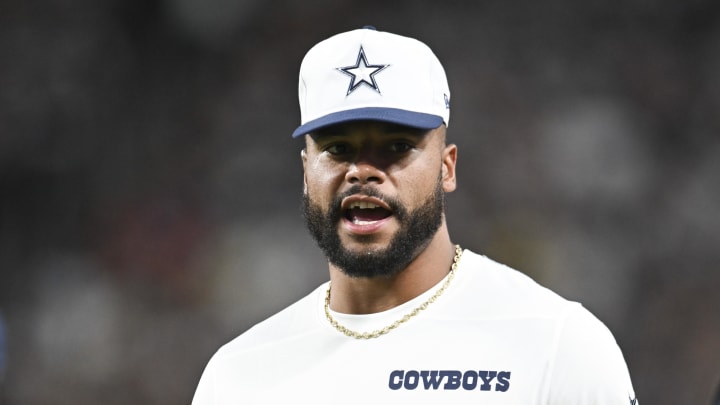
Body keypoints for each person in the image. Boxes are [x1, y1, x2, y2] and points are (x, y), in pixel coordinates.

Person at [192, 26, 638, 404]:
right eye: (337, 148)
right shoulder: (236, 377)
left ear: (447, 167)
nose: (362, 170)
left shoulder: (557, 343)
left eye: (396, 147)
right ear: (306, 172)